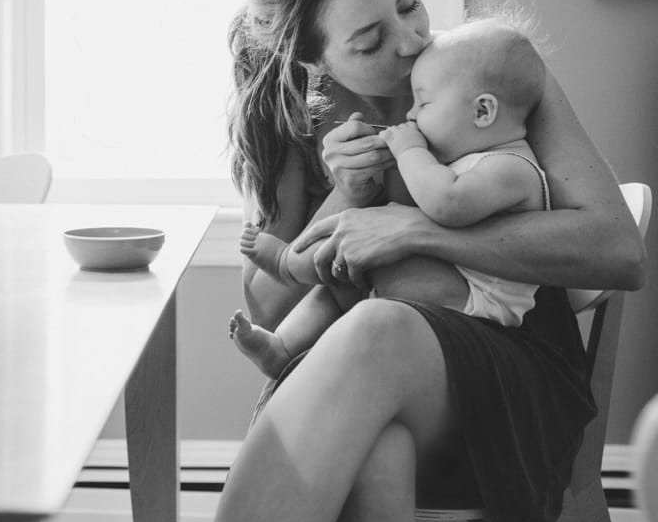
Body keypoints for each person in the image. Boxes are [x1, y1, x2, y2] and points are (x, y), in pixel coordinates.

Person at [202, 0, 645, 522]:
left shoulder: (483, 70)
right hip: (354, 392)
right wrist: (347, 194)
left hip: (511, 371)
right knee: (374, 455)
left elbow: (619, 249)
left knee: (380, 328)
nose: (412, 40)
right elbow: (268, 307)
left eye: (408, 2)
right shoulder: (299, 117)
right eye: (371, 39)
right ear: (313, 62)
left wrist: (416, 227)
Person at [230, 19, 551, 379]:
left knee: (360, 264)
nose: (412, 114)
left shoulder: (510, 166)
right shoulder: (468, 143)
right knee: (343, 279)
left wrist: (410, 152)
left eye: (424, 104)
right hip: (448, 285)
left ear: (482, 112)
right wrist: (352, 187)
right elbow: (265, 305)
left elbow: (446, 203)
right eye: (368, 38)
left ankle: (290, 263)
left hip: (479, 299)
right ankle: (283, 347)